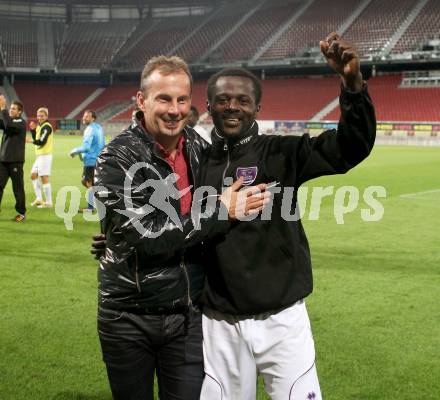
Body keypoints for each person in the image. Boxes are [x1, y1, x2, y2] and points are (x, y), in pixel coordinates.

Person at [198, 32, 376, 400]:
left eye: (242, 100)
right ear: (209, 105)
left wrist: (352, 85)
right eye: (223, 99)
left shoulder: (282, 153)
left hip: (283, 322)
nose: (232, 106)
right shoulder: (195, 161)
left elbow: (350, 147)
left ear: (257, 108)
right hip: (220, 324)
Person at [93, 55, 269, 400]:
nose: (174, 110)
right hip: (129, 318)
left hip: (188, 318)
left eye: (182, 100)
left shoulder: (203, 149)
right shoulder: (116, 158)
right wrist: (220, 211)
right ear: (141, 101)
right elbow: (146, 235)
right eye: (164, 98)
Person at [69, 110, 105, 212]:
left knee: (86, 181)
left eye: (87, 116)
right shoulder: (99, 127)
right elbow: (103, 143)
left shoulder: (89, 129)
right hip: (98, 159)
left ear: (93, 118)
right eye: (84, 116)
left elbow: (86, 147)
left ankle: (90, 208)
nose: (84, 118)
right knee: (92, 183)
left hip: (91, 161)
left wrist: (74, 151)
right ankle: (98, 204)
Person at [0, 95, 27, 222]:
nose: (11, 110)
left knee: (17, 188)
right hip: (3, 161)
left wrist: (3, 108)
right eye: (10, 108)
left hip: (15, 161)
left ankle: (21, 213)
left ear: (20, 112)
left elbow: (9, 126)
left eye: (14, 109)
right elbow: (5, 123)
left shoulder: (20, 123)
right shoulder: (8, 121)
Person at [28, 107, 53, 208]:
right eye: (38, 115)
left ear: (46, 116)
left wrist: (30, 140)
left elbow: (42, 141)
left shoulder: (47, 127)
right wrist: (33, 130)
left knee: (44, 177)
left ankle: (49, 202)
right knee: (33, 175)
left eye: (42, 116)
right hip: (40, 156)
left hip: (45, 155)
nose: (39, 117)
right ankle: (39, 199)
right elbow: (37, 139)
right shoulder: (40, 126)